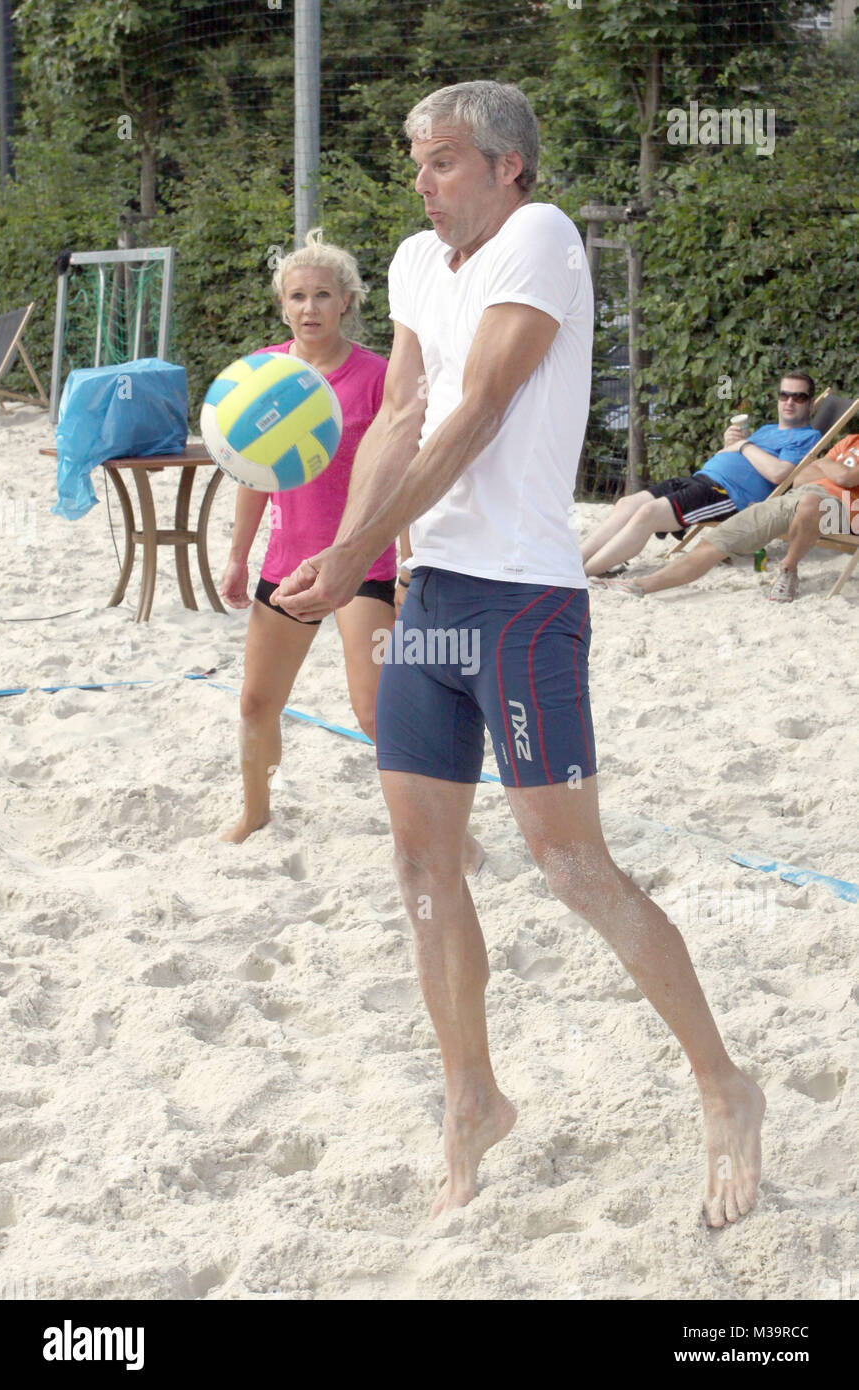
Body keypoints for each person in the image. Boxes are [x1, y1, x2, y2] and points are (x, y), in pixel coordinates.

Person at [274, 81, 764, 1229]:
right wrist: (356, 548)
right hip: (433, 592)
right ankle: (470, 1097)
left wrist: (349, 560)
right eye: (416, 162)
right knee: (420, 869)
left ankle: (722, 1083)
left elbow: (480, 408)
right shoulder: (407, 261)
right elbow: (400, 415)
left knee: (569, 865)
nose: (422, 180)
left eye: (442, 160)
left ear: (509, 167)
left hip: (523, 602)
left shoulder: (538, 239)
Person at [218, 231, 397, 844]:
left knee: (376, 713)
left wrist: (413, 558)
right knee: (254, 705)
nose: (310, 307)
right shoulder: (265, 375)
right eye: (298, 296)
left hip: (362, 564)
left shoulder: (380, 377)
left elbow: (407, 473)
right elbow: (252, 473)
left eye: (323, 294)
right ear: (283, 304)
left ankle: (446, 835)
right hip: (287, 562)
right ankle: (255, 813)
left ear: (347, 301)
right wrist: (238, 557)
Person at [581, 375, 821, 576]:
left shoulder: (806, 437)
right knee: (627, 503)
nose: (789, 401)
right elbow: (735, 455)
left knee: (648, 513)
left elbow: (779, 474)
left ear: (810, 404)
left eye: (798, 397)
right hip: (701, 479)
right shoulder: (767, 429)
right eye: (784, 395)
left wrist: (743, 447)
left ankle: (586, 572)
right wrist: (731, 443)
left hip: (727, 496)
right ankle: (574, 562)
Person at [592, 432, 859, 602]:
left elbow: (843, 476)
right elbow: (800, 478)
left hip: (842, 510)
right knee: (718, 540)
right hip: (795, 499)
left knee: (811, 503)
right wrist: (826, 468)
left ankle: (788, 569)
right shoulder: (850, 441)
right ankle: (641, 585)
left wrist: (824, 465)